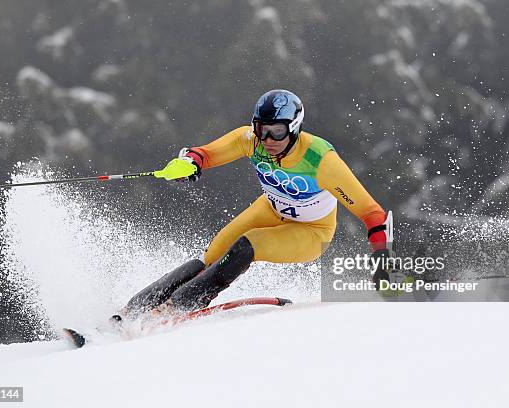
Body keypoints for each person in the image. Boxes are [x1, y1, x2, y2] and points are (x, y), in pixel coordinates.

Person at [115, 89, 391, 321]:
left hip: (311, 231)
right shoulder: (251, 140)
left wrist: (381, 258)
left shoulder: (321, 160)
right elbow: (206, 153)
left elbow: (372, 212)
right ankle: (132, 312)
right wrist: (190, 163)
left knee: (248, 245)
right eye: (262, 129)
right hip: (270, 210)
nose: (268, 140)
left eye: (277, 131)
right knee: (211, 255)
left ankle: (173, 310)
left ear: (294, 129)